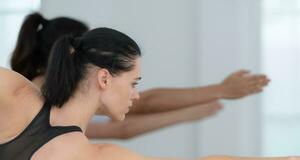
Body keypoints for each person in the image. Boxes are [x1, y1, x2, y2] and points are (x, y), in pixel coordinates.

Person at [0, 27, 298, 160]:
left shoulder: (17, 94)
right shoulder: (89, 159)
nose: (136, 94)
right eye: (133, 83)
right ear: (104, 79)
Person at [10, 13, 270, 140]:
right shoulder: (39, 94)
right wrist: (219, 91)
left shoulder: (50, 93)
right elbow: (138, 110)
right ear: (69, 51)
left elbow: (126, 120)